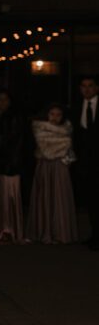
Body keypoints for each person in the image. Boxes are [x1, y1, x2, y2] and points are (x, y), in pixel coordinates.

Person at [26, 104, 78, 244]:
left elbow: (68, 144)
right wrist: (62, 143)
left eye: (58, 114)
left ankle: (60, 232)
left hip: (60, 165)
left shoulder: (67, 127)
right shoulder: (39, 126)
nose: (55, 117)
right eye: (52, 114)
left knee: (59, 196)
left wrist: (62, 144)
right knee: (45, 197)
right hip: (44, 166)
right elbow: (44, 146)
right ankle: (44, 231)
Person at [0, 89, 26, 243]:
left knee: (9, 196)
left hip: (10, 164)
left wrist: (11, 161)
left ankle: (10, 229)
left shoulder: (15, 118)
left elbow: (16, 142)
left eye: (5, 99)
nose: (2, 103)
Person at [73, 76, 99, 250]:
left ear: (97, 88)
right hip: (86, 163)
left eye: (90, 86)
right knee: (91, 199)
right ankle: (95, 235)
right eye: (84, 86)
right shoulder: (76, 107)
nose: (87, 89)